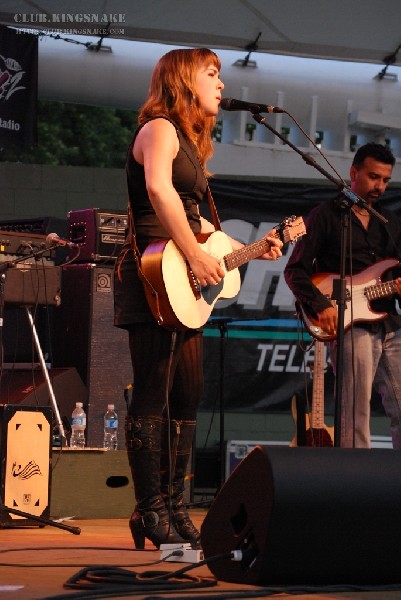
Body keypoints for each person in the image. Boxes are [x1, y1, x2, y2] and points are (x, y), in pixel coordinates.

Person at [113, 47, 283, 550]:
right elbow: (160, 193)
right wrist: (193, 252)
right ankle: (149, 510)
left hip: (180, 273)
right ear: (186, 79)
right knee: (152, 390)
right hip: (151, 271)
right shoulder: (159, 128)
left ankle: (174, 505)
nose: (222, 85)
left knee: (187, 393)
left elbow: (198, 219)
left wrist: (247, 248)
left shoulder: (189, 141)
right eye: (212, 74)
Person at [284, 142, 401, 449]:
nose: (380, 186)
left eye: (386, 180)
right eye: (374, 177)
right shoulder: (324, 215)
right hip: (351, 327)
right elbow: (294, 270)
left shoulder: (390, 223)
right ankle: (357, 490)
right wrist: (320, 305)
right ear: (353, 172)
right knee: (355, 414)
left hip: (390, 323)